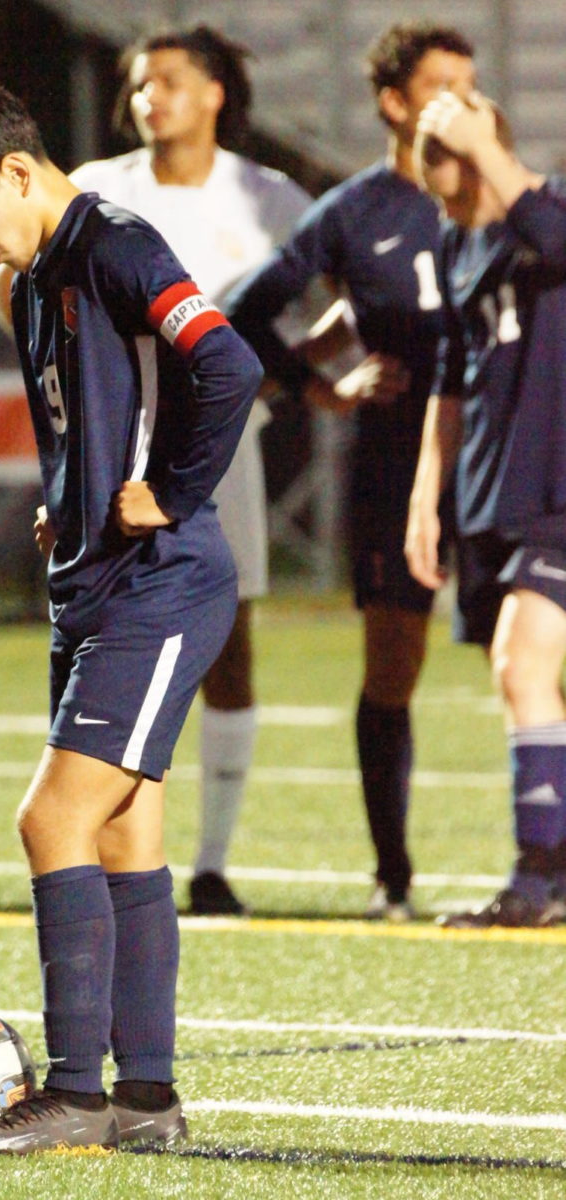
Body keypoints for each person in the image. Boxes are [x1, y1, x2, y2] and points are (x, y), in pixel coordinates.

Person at [0, 80, 261, 1152]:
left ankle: (76, 1091)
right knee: (118, 832)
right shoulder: (43, 263)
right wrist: (74, 496)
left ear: (18, 173)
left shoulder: (115, 244)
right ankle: (145, 1100)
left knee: (50, 820)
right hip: (96, 581)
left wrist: (174, 489)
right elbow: (92, 410)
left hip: (162, 579)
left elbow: (226, 364)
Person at [0, 25, 312, 916]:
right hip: (112, 451)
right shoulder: (97, 187)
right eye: (136, 83)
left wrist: (320, 375)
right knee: (110, 646)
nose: (147, 97)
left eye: (167, 79)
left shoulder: (267, 194)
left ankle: (212, 858)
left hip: (209, 441)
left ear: (214, 92)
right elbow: (23, 286)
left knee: (227, 638)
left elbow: (302, 315)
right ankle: (152, 854)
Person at [225, 22, 477, 921]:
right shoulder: (354, 212)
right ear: (393, 103)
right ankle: (393, 877)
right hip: (393, 462)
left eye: (468, 85)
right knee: (392, 666)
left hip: (499, 459)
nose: (461, 102)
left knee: (539, 659)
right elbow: (243, 313)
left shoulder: (505, 197)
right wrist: (318, 388)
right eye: (441, 85)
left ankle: (546, 863)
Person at [406, 92, 566, 928]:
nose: (428, 167)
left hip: (557, 493)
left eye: (443, 149)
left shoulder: (547, 205)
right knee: (526, 681)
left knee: (522, 664)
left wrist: (483, 143)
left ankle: (534, 879)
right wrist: (425, 497)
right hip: (494, 495)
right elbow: (452, 376)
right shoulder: (453, 240)